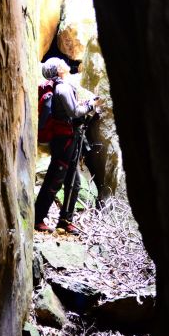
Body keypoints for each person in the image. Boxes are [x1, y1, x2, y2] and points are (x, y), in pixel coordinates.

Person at [35, 57, 100, 234]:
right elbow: (74, 111)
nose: (64, 63)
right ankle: (38, 218)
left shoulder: (61, 87)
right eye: (61, 62)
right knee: (55, 179)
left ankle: (65, 220)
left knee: (74, 182)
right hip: (65, 140)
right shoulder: (62, 87)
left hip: (66, 139)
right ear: (58, 70)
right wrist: (91, 104)